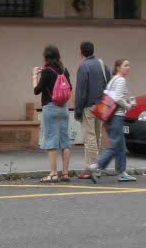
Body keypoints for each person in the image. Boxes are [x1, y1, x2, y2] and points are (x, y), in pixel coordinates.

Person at [89, 58, 137, 183]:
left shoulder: (113, 80)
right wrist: (129, 106)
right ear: (118, 67)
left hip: (109, 116)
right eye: (126, 65)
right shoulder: (120, 80)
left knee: (120, 145)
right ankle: (96, 166)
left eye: (129, 65)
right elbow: (118, 98)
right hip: (117, 116)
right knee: (116, 144)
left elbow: (108, 96)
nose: (128, 67)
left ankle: (122, 172)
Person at [32, 44, 73, 181]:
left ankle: (53, 173)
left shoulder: (46, 71)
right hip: (64, 109)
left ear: (46, 57)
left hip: (50, 108)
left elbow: (37, 90)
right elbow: (70, 88)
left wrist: (34, 76)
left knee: (51, 140)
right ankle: (66, 173)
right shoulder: (64, 70)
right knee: (65, 141)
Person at [73, 40, 110, 180]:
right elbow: (109, 84)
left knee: (89, 138)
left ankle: (94, 168)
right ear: (93, 51)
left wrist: (77, 111)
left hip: (89, 106)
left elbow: (81, 92)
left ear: (81, 52)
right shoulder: (102, 65)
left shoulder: (84, 67)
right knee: (97, 136)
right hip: (102, 105)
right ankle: (90, 166)